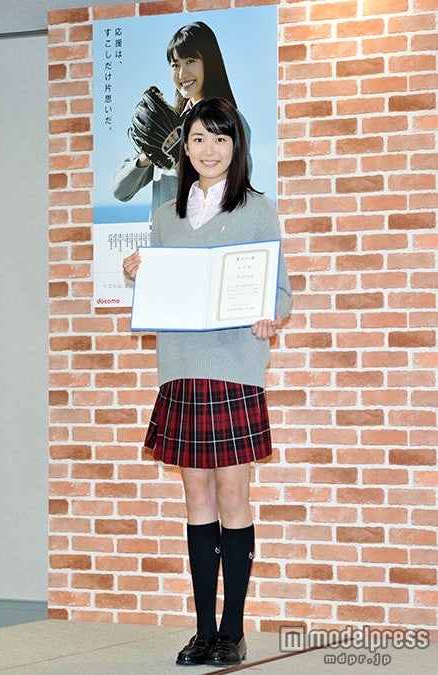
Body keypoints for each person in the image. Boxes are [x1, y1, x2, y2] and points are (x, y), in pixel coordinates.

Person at [123, 98, 292, 667]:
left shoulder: (257, 209)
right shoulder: (165, 216)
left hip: (234, 369)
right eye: (198, 138)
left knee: (233, 496)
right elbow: (163, 288)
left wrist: (269, 315)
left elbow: (281, 293)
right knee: (196, 498)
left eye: (221, 138)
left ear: (236, 146)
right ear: (185, 147)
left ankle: (232, 631)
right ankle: (202, 631)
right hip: (180, 367)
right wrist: (139, 273)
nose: (209, 149)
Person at [112, 21, 252, 216]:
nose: (182, 74)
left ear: (209, 62)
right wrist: (149, 154)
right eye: (175, 65)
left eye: (190, 61)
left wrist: (177, 159)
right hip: (163, 235)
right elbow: (120, 191)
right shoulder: (168, 123)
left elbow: (234, 190)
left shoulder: (231, 120)